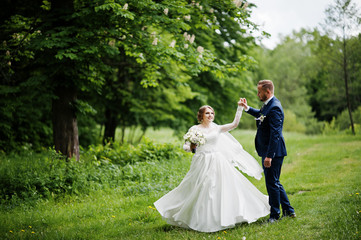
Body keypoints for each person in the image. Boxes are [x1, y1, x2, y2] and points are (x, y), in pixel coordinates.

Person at [154, 101, 270, 232]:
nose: (210, 115)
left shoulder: (217, 128)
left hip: (217, 161)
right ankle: (194, 216)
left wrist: (239, 108)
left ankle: (220, 218)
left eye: (212, 113)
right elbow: (186, 146)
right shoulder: (194, 130)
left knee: (215, 187)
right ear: (201, 116)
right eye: (207, 113)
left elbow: (234, 124)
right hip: (201, 161)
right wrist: (191, 148)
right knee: (197, 187)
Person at [240, 80, 296, 223]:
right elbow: (260, 115)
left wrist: (269, 156)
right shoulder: (269, 105)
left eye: (259, 92)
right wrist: (247, 108)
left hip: (273, 152)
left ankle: (274, 215)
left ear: (268, 92)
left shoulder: (275, 107)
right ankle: (289, 210)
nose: (258, 94)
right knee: (274, 182)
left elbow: (275, 134)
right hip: (269, 151)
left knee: (272, 183)